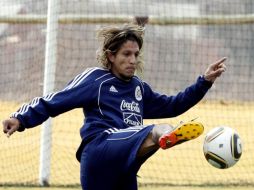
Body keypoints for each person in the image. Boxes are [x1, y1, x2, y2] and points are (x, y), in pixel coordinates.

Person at [2, 23, 226, 190]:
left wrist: (203, 82)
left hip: (125, 167)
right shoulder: (96, 80)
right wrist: (21, 118)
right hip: (100, 150)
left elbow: (173, 105)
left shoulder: (139, 88)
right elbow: (56, 100)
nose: (132, 60)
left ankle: (164, 137)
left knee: (154, 128)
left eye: (136, 55)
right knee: (157, 128)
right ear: (110, 56)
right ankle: (167, 136)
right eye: (126, 54)